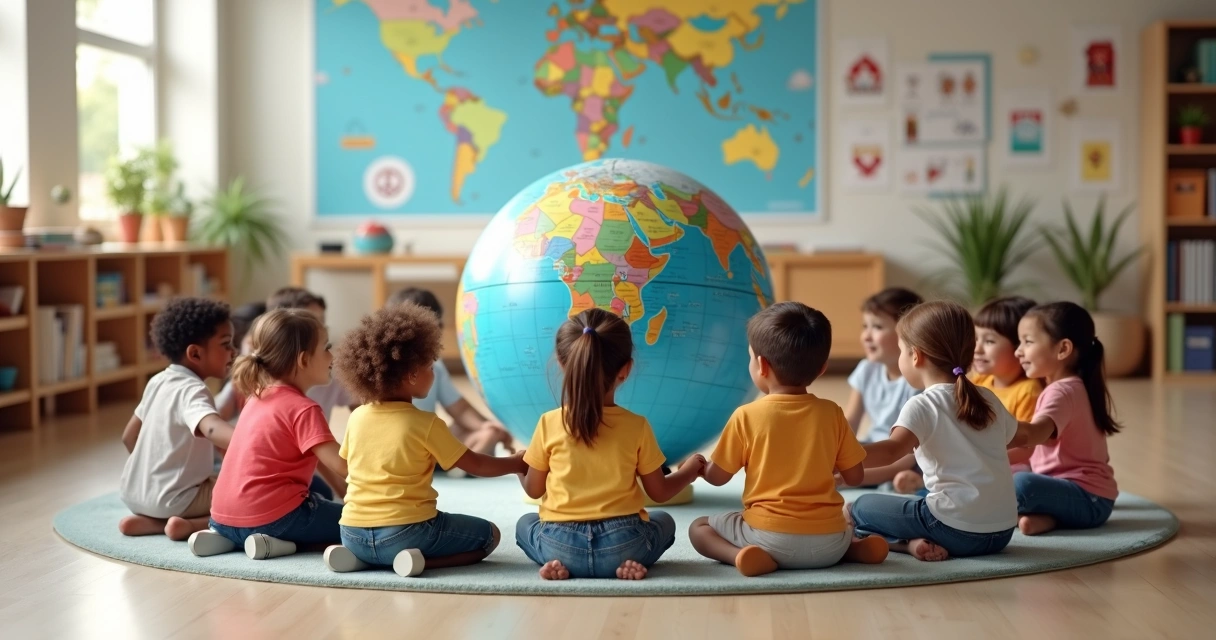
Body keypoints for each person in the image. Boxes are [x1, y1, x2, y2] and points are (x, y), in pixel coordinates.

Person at [321, 303, 527, 576]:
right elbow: (475, 465)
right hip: (407, 533)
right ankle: (417, 562)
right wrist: (516, 463)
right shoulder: (426, 423)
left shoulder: (358, 416)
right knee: (490, 535)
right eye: (431, 366)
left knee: (376, 542)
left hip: (351, 532)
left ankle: (363, 559)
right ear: (412, 375)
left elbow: (346, 465)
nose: (434, 372)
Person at [689, 302, 888, 577]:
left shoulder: (746, 415)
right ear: (821, 369)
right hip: (830, 541)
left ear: (761, 365)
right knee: (843, 524)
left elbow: (718, 477)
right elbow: (854, 477)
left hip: (768, 539)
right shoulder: (833, 413)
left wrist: (700, 467)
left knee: (700, 527)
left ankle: (740, 556)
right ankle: (852, 549)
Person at [515, 309, 704, 580]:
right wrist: (688, 471)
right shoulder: (637, 426)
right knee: (664, 521)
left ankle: (557, 564)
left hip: (560, 545)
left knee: (526, 523)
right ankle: (628, 565)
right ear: (625, 370)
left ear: (561, 363)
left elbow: (533, 491)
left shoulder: (548, 422)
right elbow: (660, 492)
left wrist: (520, 467)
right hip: (624, 545)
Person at [849, 301, 1018, 562]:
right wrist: (1050, 426)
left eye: (902, 351)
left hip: (955, 531)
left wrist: (838, 454)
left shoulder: (923, 404)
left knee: (857, 508)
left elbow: (891, 451)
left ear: (916, 356)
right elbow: (1026, 436)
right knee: (917, 498)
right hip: (1002, 532)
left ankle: (906, 543)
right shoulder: (988, 398)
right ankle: (912, 543)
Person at [188, 309, 349, 559]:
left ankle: (231, 540)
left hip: (222, 517)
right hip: (275, 518)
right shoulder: (304, 409)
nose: (332, 356)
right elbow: (343, 465)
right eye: (326, 348)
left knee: (315, 505)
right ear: (304, 360)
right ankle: (277, 543)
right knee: (356, 523)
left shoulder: (256, 397)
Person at [117, 298, 236, 540]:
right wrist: (251, 441)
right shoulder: (193, 390)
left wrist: (154, 474)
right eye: (226, 344)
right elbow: (211, 429)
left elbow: (128, 437)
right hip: (177, 500)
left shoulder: (158, 381)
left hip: (133, 493)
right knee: (249, 489)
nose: (234, 352)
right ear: (194, 353)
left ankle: (152, 522)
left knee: (213, 477)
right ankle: (191, 525)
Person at [1006, 302, 1120, 536]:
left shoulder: (1062, 392)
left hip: (1089, 499)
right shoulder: (1065, 387)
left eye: (1027, 342)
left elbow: (1034, 434)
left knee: (1022, 485)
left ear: (1063, 349)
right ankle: (1046, 519)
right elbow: (1030, 451)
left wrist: (987, 435)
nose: (1018, 351)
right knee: (1009, 473)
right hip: (1076, 496)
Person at [386, 287, 514, 458]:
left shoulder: (435, 367)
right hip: (398, 445)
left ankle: (450, 464)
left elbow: (459, 409)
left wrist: (487, 426)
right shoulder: (383, 370)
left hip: (425, 441)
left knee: (481, 432)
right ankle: (453, 465)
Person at [842, 287, 924, 491]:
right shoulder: (867, 368)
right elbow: (849, 423)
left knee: (897, 480)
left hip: (905, 457)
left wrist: (844, 478)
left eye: (877, 327)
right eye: (865, 326)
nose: (866, 336)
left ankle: (902, 483)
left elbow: (906, 455)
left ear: (908, 335)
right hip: (873, 448)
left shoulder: (917, 381)